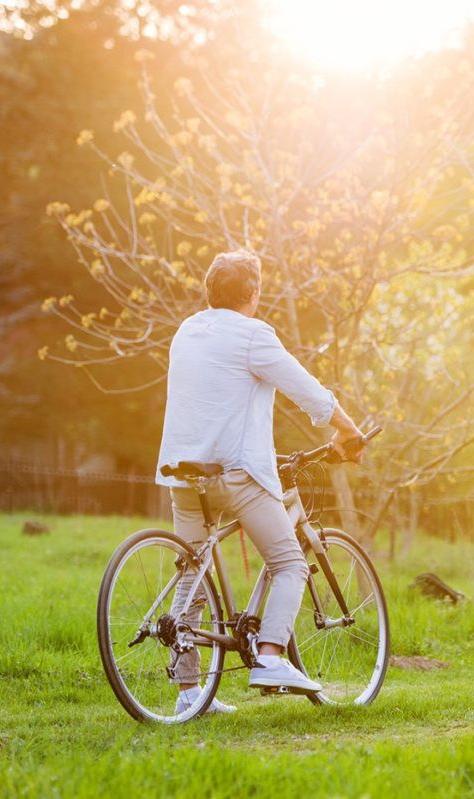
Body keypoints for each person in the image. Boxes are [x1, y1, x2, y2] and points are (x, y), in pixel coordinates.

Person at [156, 249, 365, 716]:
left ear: (208, 291)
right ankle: (270, 657)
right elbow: (307, 390)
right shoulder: (253, 335)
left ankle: (190, 693)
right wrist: (348, 431)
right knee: (291, 562)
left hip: (182, 473)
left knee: (192, 573)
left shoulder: (187, 331)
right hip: (235, 474)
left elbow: (217, 400)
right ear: (254, 294)